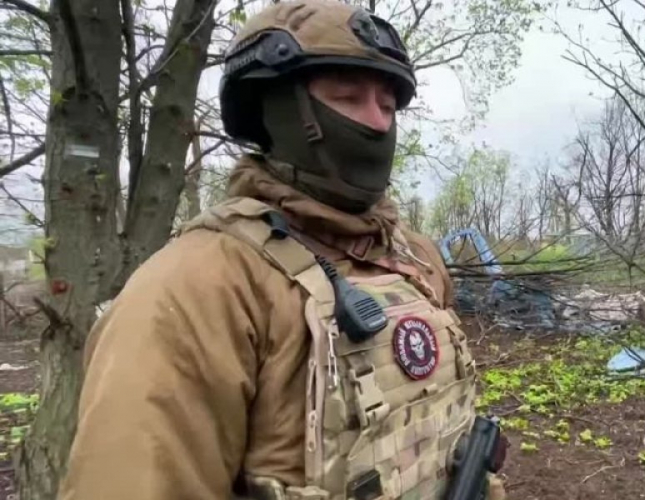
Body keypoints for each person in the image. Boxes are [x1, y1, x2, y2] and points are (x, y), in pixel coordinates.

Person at [57, 1, 506, 499]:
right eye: (348, 97)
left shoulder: (416, 258)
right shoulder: (197, 285)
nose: (378, 123)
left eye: (387, 104)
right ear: (275, 111)